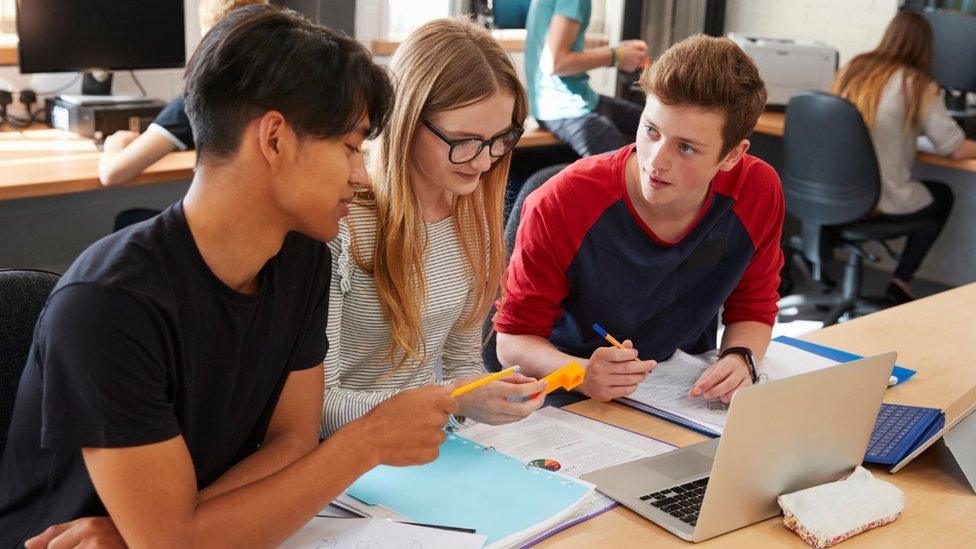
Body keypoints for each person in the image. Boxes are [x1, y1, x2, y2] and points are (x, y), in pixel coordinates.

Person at [0, 6, 455, 548]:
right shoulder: (107, 305)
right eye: (350, 148)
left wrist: (153, 532)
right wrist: (365, 443)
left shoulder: (303, 256)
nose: (360, 176)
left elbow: (292, 443)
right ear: (274, 140)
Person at [494, 35, 784, 406]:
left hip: (681, 390)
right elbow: (512, 343)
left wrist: (741, 357)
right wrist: (581, 374)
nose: (656, 161)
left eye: (685, 148)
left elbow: (754, 305)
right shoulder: (561, 202)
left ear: (731, 155)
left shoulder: (757, 189)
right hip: (572, 395)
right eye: (651, 131)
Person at [321, 18, 546, 437]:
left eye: (501, 139)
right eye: (463, 140)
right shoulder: (342, 225)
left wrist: (485, 396)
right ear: (406, 122)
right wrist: (450, 398)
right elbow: (317, 407)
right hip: (344, 456)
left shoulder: (471, 219)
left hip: (425, 444)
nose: (483, 162)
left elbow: (461, 366)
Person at [832, 10, 976, 304]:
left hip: (832, 195)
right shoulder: (916, 83)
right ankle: (901, 281)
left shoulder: (853, 69)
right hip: (877, 201)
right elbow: (956, 148)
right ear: (926, 47)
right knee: (943, 195)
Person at [97, 0, 268, 187]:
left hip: (215, 215)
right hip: (262, 213)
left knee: (128, 217)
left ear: (209, 37)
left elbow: (111, 174)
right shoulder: (280, 94)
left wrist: (114, 145)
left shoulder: (199, 100)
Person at [524, 0, 648, 157]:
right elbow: (555, 63)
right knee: (627, 166)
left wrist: (618, 51)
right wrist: (616, 56)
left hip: (576, 100)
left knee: (654, 125)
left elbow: (562, 50)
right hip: (564, 108)